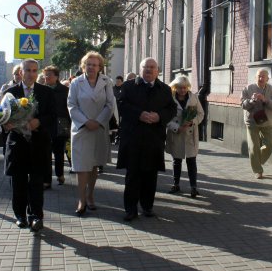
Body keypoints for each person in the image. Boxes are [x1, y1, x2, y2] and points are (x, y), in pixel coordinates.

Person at [116, 58, 176, 221]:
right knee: (133, 175)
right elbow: (121, 105)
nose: (149, 70)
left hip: (153, 139)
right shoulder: (128, 86)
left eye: (152, 67)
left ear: (157, 70)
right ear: (140, 69)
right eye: (146, 67)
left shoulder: (164, 89)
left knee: (150, 175)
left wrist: (159, 116)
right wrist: (139, 114)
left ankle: (147, 207)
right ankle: (130, 209)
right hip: (133, 138)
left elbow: (172, 109)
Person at [3, 59, 55, 232]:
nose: (31, 74)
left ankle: (36, 216)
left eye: (34, 70)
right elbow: (0, 116)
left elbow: (53, 116)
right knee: (18, 182)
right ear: (20, 73)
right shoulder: (10, 92)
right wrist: (5, 124)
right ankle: (20, 216)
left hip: (38, 144)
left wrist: (38, 121)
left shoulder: (46, 92)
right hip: (17, 144)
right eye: (28, 70)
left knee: (36, 183)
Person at [68, 52, 115, 216]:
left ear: (100, 67)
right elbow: (71, 105)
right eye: (88, 64)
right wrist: (86, 122)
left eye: (95, 65)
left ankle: (90, 195)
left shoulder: (106, 82)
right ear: (83, 66)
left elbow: (110, 104)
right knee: (82, 166)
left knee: (94, 164)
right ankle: (81, 199)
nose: (91, 67)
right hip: (82, 129)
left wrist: (99, 121)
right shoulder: (76, 82)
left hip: (99, 128)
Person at [165, 75, 205, 198]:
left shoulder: (193, 97)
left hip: (190, 134)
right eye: (180, 88)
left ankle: (193, 187)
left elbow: (201, 113)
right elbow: (165, 117)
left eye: (185, 87)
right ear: (175, 88)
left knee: (191, 161)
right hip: (177, 134)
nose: (182, 90)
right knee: (177, 160)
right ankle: (176, 184)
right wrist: (176, 127)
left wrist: (193, 122)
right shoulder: (170, 99)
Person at [241, 68, 272, 179]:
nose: (261, 78)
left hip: (266, 121)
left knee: (271, 143)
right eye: (259, 76)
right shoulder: (248, 88)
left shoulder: (271, 89)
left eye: (263, 76)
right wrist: (251, 101)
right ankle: (258, 170)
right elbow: (242, 104)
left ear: (267, 78)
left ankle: (257, 161)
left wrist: (265, 100)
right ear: (255, 77)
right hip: (252, 121)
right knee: (254, 147)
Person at [43, 65, 70, 186]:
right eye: (45, 74)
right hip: (45, 125)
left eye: (49, 74)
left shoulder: (65, 90)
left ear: (56, 76)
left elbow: (69, 108)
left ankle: (60, 174)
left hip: (61, 124)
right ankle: (47, 180)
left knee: (59, 152)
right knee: (46, 153)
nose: (46, 77)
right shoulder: (41, 89)